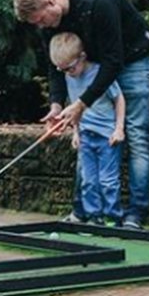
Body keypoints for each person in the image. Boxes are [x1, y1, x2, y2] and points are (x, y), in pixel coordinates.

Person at [13, 0, 149, 229]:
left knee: (136, 135)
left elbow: (114, 61)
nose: (40, 26)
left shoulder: (97, 2)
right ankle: (82, 210)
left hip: (131, 58)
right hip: (94, 65)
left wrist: (81, 103)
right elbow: (55, 66)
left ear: (51, 2)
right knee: (88, 133)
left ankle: (135, 213)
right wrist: (56, 104)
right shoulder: (50, 23)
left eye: (40, 20)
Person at [50, 33, 125, 226]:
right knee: (88, 180)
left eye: (71, 68)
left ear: (82, 57)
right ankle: (94, 217)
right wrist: (75, 132)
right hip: (85, 136)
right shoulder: (70, 78)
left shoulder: (100, 74)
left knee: (108, 181)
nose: (68, 72)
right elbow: (76, 109)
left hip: (107, 136)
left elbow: (119, 99)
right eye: (62, 70)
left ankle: (112, 217)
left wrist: (119, 129)